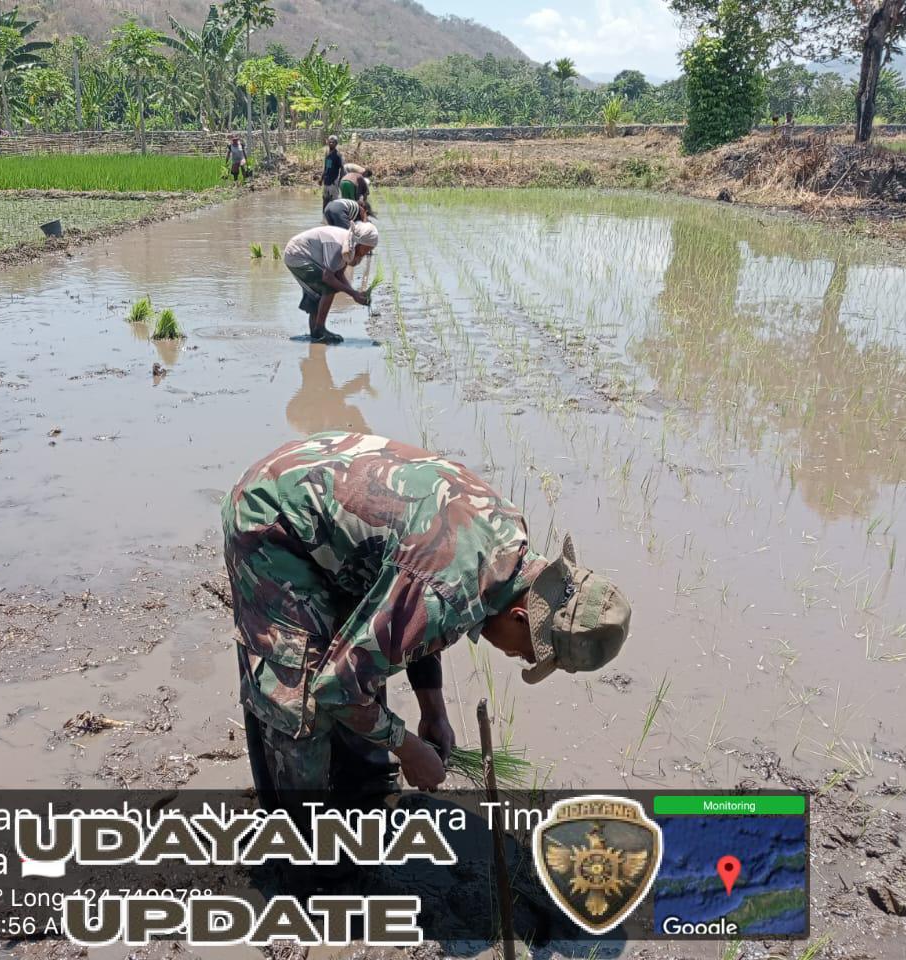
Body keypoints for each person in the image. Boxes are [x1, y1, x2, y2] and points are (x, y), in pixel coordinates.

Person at [222, 432, 632, 802]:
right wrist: (407, 746)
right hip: (273, 516)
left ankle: (360, 798)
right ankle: (298, 843)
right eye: (530, 654)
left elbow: (413, 608)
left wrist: (432, 709)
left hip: (329, 512)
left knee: (357, 656)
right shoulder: (452, 589)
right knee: (300, 696)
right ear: (522, 617)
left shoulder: (509, 548)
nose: (520, 659)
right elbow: (340, 686)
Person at [282, 222, 378, 345]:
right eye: (367, 248)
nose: (367, 253)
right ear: (359, 243)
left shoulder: (349, 245)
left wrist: (355, 293)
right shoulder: (337, 243)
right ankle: (320, 330)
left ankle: (316, 335)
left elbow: (338, 274)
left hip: (307, 257)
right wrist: (353, 294)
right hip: (297, 255)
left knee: (319, 291)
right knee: (328, 287)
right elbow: (328, 277)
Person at [319, 135, 344, 216]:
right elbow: (326, 167)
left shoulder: (337, 155)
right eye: (330, 142)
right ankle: (324, 217)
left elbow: (342, 168)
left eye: (333, 142)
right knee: (325, 200)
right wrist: (321, 178)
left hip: (333, 181)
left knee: (334, 202)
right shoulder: (327, 153)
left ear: (336, 143)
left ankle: (335, 218)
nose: (331, 143)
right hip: (326, 181)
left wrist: (340, 180)